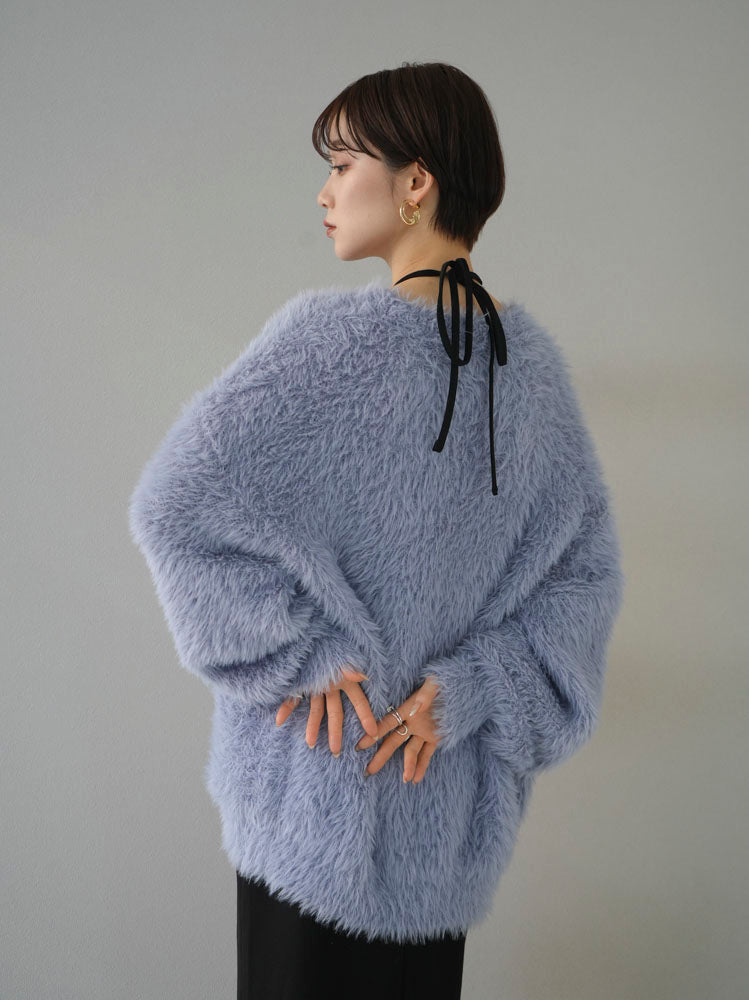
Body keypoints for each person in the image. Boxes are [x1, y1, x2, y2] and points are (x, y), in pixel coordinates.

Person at [128, 61, 624, 1000]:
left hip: (325, 819)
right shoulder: (531, 373)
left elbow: (173, 506)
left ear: (414, 182)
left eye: (342, 163)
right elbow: (182, 512)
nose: (324, 192)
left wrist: (431, 681)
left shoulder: (329, 345)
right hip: (415, 834)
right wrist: (413, 679)